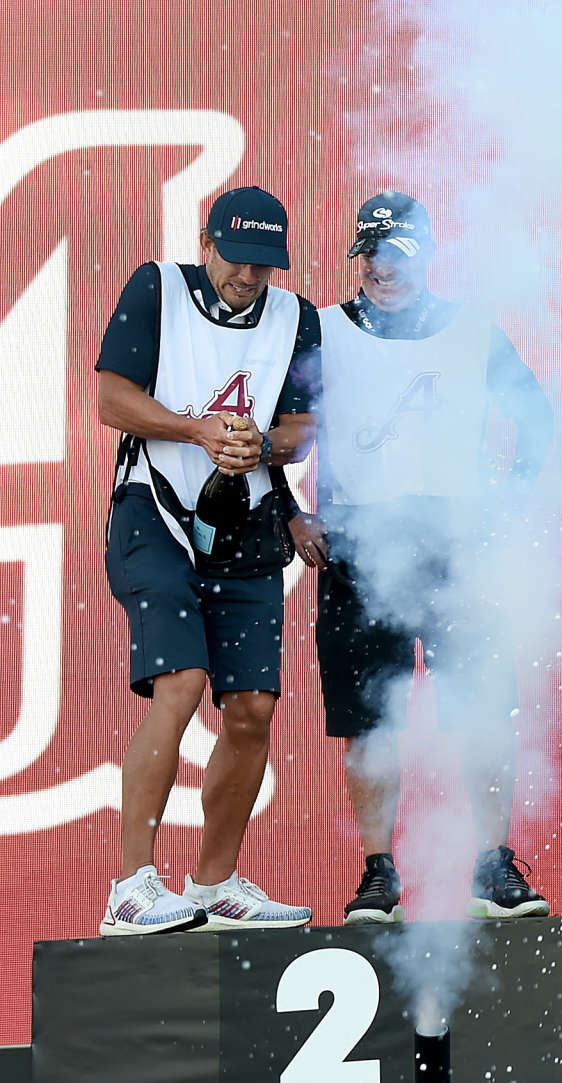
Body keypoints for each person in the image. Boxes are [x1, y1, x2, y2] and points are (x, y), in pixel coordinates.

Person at [288, 192, 556, 923]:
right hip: (357, 544)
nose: (383, 268)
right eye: (371, 254)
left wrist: (505, 504)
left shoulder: (472, 330)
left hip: (452, 544)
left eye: (399, 253)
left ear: (429, 255)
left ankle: (492, 864)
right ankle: (379, 871)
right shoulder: (322, 331)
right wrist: (291, 509)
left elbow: (537, 417)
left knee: (479, 707)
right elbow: (269, 426)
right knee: (370, 719)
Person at [95, 186, 316, 934]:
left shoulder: (296, 317)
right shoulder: (157, 285)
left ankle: (215, 883)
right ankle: (130, 884)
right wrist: (198, 432)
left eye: (265, 265)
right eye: (238, 259)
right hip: (150, 509)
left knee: (253, 710)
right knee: (182, 680)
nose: (250, 277)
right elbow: (110, 398)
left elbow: (304, 426)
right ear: (206, 241)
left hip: (246, 515)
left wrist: (267, 444)